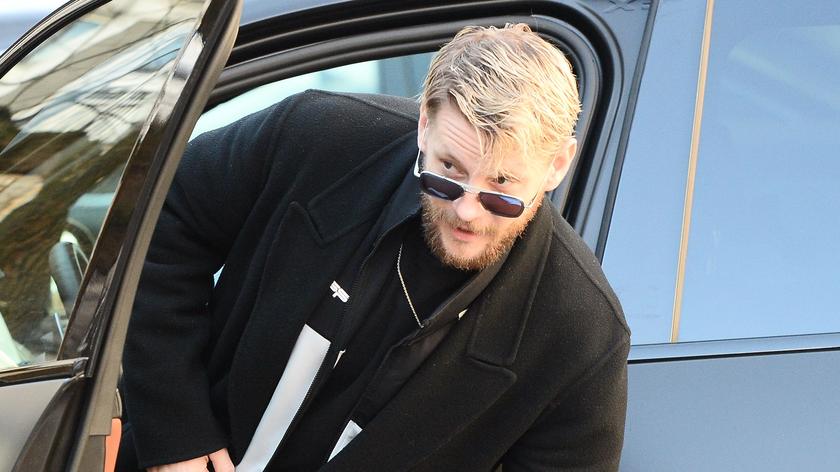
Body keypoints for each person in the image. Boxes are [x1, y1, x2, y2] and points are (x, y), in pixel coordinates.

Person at [118, 23, 630, 472]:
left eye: (501, 188)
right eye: (447, 172)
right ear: (424, 126)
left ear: (557, 165)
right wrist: (176, 429)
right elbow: (162, 217)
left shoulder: (582, 334)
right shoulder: (317, 137)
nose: (467, 211)